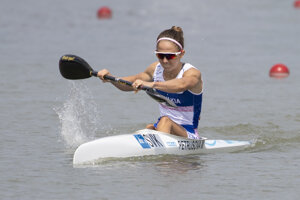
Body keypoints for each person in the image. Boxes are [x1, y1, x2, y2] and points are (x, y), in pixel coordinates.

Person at [97, 26, 203, 139]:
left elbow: (181, 85)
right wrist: (111, 78)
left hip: (188, 134)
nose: (165, 61)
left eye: (170, 56)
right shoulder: (155, 69)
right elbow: (129, 84)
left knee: (165, 121)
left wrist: (152, 84)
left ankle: (163, 153)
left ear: (181, 54)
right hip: (163, 127)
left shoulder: (192, 73)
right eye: (160, 55)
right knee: (149, 128)